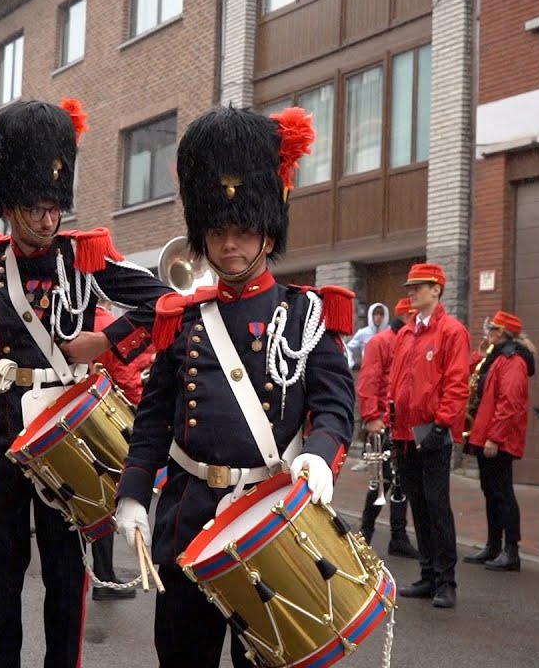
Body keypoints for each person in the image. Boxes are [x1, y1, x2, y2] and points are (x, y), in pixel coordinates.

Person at [0, 98, 171, 668]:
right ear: (9, 206)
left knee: (64, 578)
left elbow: (164, 303)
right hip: (2, 430)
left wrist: (106, 342)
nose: (49, 221)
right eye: (36, 209)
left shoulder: (87, 258)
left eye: (56, 208)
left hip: (67, 431)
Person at [115, 105, 355, 668]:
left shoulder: (305, 315)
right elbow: (153, 419)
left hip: (269, 519)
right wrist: (131, 493)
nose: (229, 246)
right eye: (218, 233)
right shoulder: (184, 319)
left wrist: (320, 457)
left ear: (267, 235)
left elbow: (336, 405)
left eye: (242, 232)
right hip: (188, 518)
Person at [387, 262, 470, 609]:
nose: (411, 292)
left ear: (436, 289)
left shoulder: (451, 331)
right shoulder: (406, 333)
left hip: (431, 430)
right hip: (405, 431)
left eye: (418, 287)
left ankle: (446, 580)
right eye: (409, 287)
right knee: (417, 505)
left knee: (437, 507)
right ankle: (427, 573)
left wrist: (442, 424)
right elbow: (396, 380)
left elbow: (456, 382)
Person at [86, 301, 151, 601]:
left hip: (82, 410)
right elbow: (123, 373)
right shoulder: (106, 320)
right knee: (105, 495)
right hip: (104, 413)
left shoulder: (78, 317)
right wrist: (140, 406)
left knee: (91, 492)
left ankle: (103, 573)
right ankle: (103, 577)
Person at [463, 311, 535, 572]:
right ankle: (493, 545)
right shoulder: (495, 356)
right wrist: (480, 354)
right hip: (486, 435)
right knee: (490, 491)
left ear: (502, 333)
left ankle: (511, 550)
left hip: (498, 438)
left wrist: (495, 437)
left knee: (503, 493)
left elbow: (510, 401)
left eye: (492, 329)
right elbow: (471, 376)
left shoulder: (512, 359)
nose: (487, 333)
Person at [357, 297, 417, 557]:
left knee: (402, 481)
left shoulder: (408, 340)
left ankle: (398, 536)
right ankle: (365, 534)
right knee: (380, 481)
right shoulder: (380, 342)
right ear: (406, 316)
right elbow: (369, 379)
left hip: (403, 422)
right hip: (383, 420)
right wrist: (371, 415)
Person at [345, 301, 390, 369]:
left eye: (381, 315)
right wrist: (351, 364)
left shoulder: (390, 332)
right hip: (368, 370)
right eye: (375, 314)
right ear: (371, 315)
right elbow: (347, 348)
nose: (378, 317)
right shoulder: (364, 333)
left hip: (386, 372)